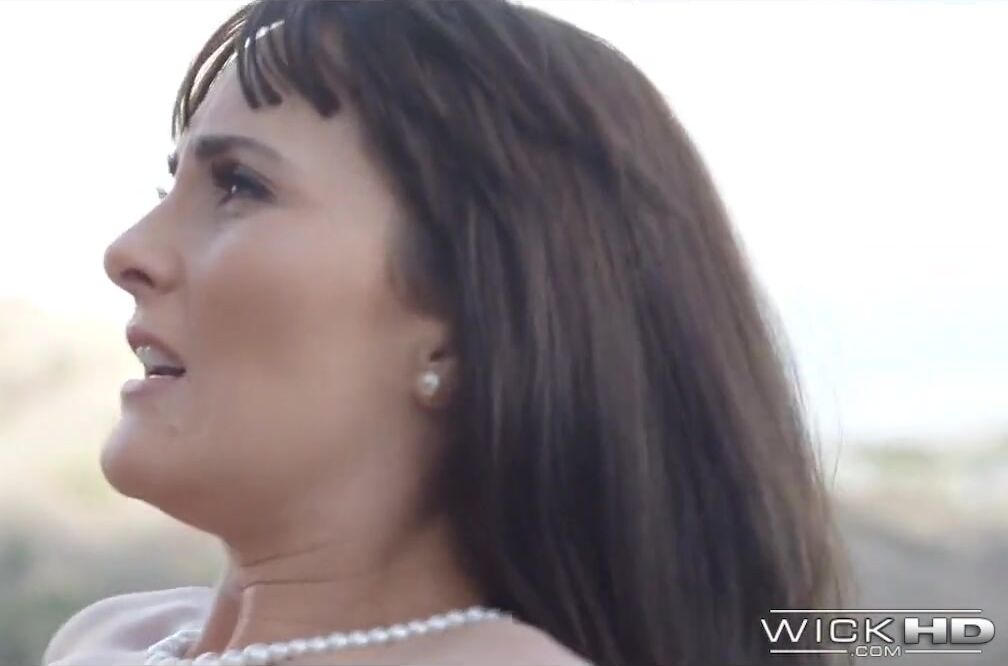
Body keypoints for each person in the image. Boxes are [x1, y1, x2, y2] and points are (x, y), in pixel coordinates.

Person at [43, 1, 848, 664]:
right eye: (169, 188)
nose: (128, 252)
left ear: (466, 317)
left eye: (240, 185)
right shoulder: (108, 640)